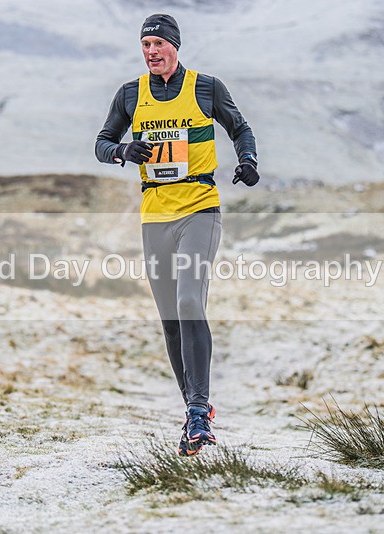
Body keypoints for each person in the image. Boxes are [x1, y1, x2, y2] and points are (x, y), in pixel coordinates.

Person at [95, 13, 259, 456]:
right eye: (145, 44)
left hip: (199, 210)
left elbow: (239, 127)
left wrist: (247, 160)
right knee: (170, 318)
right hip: (155, 215)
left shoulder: (206, 87)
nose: (151, 52)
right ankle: (193, 411)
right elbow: (102, 142)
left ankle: (200, 407)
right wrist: (122, 151)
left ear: (175, 46)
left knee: (189, 301)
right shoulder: (130, 94)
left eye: (158, 44)